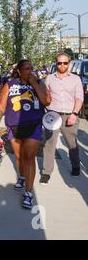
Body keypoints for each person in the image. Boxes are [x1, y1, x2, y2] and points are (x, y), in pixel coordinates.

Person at [0, 59, 50, 209]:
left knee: (30, 158)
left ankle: (28, 193)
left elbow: (46, 101)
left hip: (34, 125)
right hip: (14, 127)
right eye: (26, 68)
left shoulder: (39, 83)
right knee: (20, 158)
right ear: (19, 70)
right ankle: (22, 176)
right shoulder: (10, 85)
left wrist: (35, 83)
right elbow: (1, 106)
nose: (29, 71)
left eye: (31, 68)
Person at [40, 53, 84, 183]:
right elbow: (45, 96)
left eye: (65, 63)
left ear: (69, 63)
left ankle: (76, 165)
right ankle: (46, 172)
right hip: (53, 115)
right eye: (59, 63)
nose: (62, 65)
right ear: (56, 63)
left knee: (71, 143)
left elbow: (79, 98)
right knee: (49, 144)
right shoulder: (49, 78)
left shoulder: (75, 79)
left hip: (69, 115)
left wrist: (74, 114)